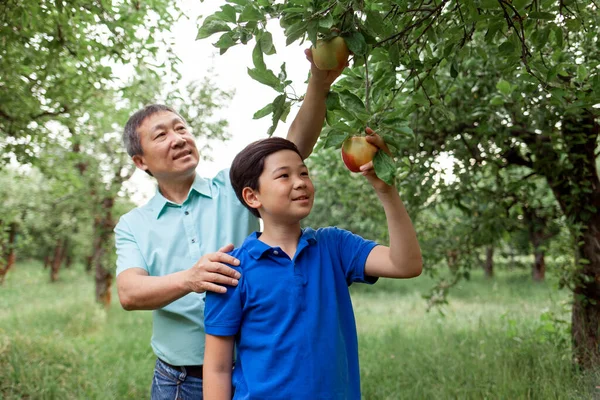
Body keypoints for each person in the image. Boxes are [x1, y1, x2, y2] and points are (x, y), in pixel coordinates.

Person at [114, 49, 345, 400]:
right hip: (179, 380)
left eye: (181, 128)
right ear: (140, 161)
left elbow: (292, 147)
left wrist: (318, 81)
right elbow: (129, 293)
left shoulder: (234, 190)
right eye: (161, 135)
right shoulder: (134, 224)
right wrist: (191, 278)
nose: (178, 138)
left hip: (255, 369)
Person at [203, 134, 423, 399]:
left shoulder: (335, 246)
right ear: (252, 196)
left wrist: (386, 190)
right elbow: (218, 368)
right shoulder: (231, 271)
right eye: (284, 176)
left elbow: (406, 264)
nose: (300, 183)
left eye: (304, 173)